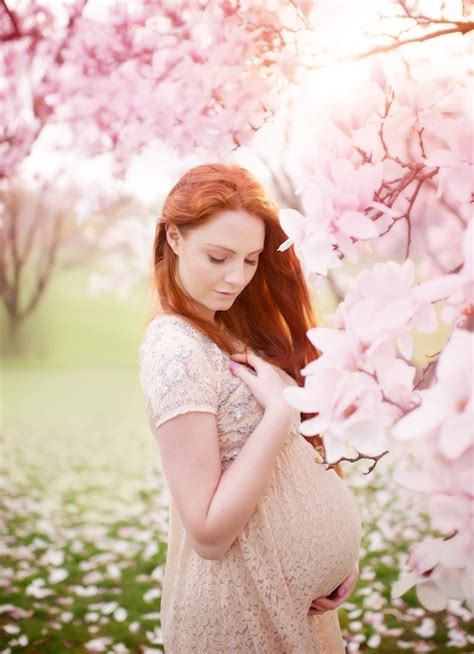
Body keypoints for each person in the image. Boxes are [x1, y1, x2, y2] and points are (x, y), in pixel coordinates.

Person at [138, 162, 362, 653]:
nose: (236, 277)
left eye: (251, 259)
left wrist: (340, 556)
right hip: (242, 611)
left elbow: (293, 462)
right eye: (218, 257)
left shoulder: (228, 325)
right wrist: (280, 413)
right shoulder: (176, 349)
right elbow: (209, 534)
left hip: (291, 603)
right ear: (174, 238)